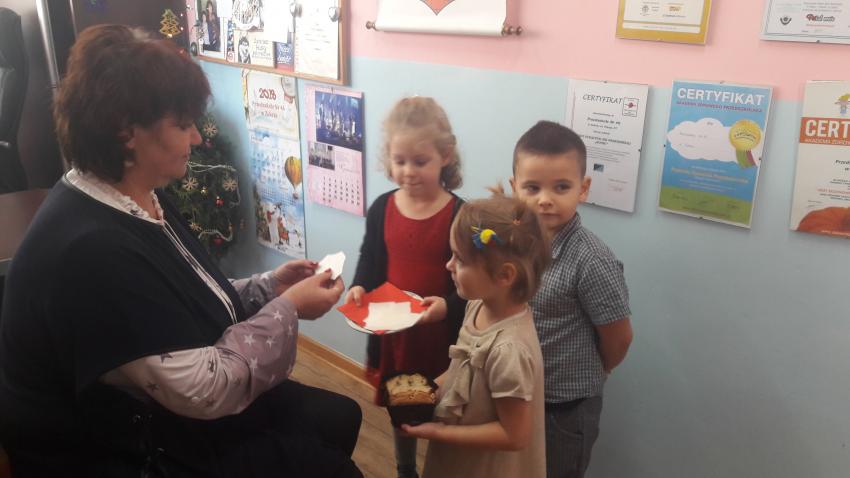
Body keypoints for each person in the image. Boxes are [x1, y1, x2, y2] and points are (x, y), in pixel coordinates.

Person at [0, 25, 362, 478]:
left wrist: (269, 287)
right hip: (115, 446)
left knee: (340, 416)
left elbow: (178, 295)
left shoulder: (137, 194)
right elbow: (206, 389)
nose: (196, 139)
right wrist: (288, 309)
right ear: (125, 131)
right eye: (183, 124)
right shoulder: (90, 252)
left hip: (161, 407)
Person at [344, 96, 466, 478]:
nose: (408, 172)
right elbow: (370, 257)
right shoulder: (382, 207)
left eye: (420, 161)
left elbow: (472, 285)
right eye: (399, 161)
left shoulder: (459, 215)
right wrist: (359, 286)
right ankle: (405, 468)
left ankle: (446, 468)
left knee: (445, 408)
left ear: (445, 156)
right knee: (404, 410)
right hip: (398, 343)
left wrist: (447, 307)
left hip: (441, 341)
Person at [509, 121, 634, 478]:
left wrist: (597, 369)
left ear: (584, 188)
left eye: (561, 187)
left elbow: (619, 338)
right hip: (518, 393)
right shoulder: (512, 244)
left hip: (565, 407)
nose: (545, 199)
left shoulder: (591, 259)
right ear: (514, 187)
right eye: (532, 187)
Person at [403, 192, 550, 478]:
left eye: (459, 259)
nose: (448, 265)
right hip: (459, 457)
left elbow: (515, 435)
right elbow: (463, 368)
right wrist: (426, 390)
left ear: (504, 276)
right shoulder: (477, 306)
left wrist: (439, 432)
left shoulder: (509, 350)